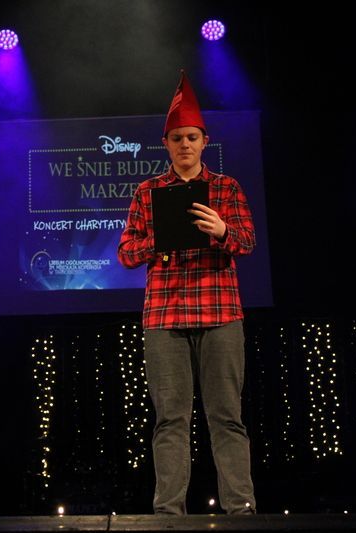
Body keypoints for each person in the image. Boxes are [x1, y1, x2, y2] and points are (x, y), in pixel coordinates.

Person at [117, 72, 256, 515]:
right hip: (165, 316)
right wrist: (156, 240)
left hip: (220, 312)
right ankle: (168, 514)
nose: (184, 145)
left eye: (192, 137)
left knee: (226, 417)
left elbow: (247, 242)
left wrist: (222, 230)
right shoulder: (148, 192)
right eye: (177, 138)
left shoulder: (227, 188)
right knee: (170, 419)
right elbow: (125, 253)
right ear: (166, 143)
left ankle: (241, 511)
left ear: (204, 141)